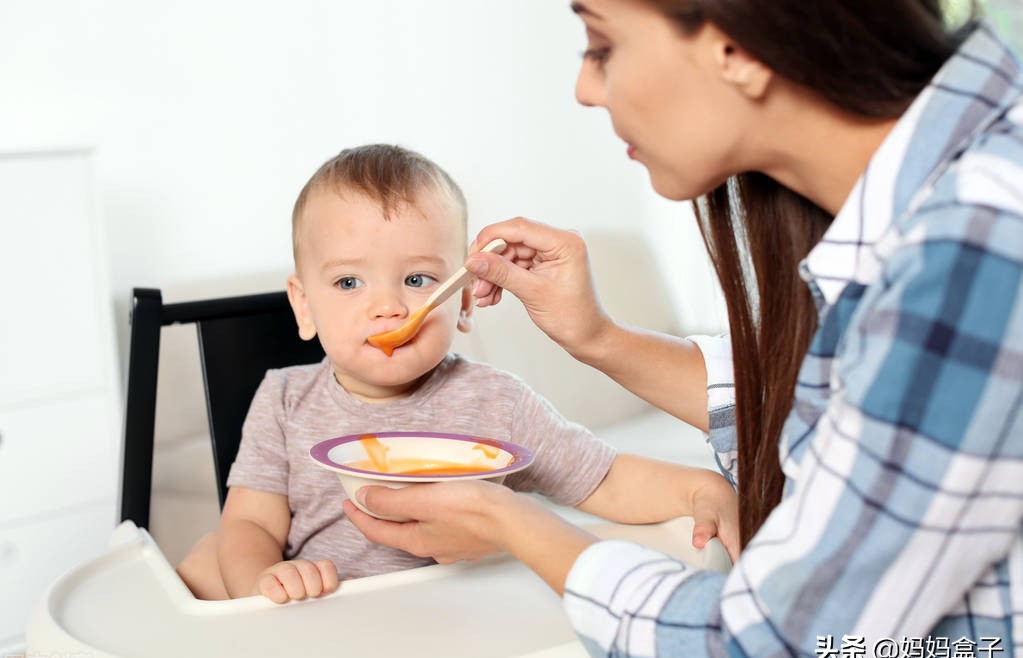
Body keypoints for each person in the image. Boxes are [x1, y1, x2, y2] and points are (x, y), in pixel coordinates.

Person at [344, 2, 1023, 658]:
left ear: (736, 50)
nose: (583, 88)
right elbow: (868, 411)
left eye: (601, 44)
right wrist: (596, 337)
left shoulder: (976, 246)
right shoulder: (955, 201)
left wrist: (511, 522)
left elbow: (776, 657)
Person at [175, 143, 739, 604]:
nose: (388, 306)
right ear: (303, 305)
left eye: (418, 280)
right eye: (350, 283)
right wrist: (262, 583)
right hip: (326, 627)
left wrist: (700, 486)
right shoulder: (282, 401)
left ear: (465, 303)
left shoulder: (498, 403)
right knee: (199, 562)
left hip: (462, 624)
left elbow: (604, 478)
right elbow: (249, 525)